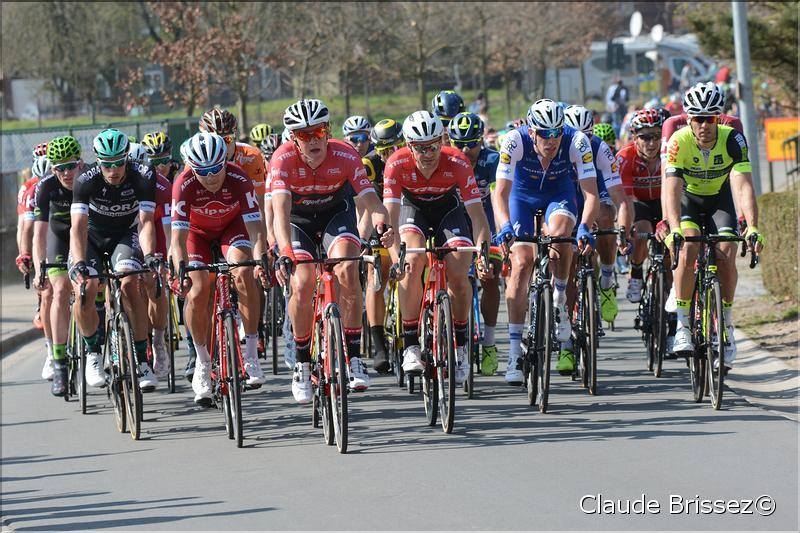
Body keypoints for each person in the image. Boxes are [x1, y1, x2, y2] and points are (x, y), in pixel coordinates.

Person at [270, 99, 394, 404]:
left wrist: (382, 222)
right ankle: (301, 361)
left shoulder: (346, 153)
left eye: (319, 131)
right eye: (304, 134)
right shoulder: (282, 160)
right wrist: (285, 250)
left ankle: (352, 356)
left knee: (347, 269)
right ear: (293, 137)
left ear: (329, 130)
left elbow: (370, 200)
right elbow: (280, 215)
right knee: (302, 282)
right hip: (297, 221)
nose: (313, 139)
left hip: (336, 215)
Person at [493, 99, 599, 383]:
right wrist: (504, 226)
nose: (551, 141)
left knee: (561, 236)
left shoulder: (577, 141)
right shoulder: (514, 141)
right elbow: (500, 193)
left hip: (559, 195)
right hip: (521, 198)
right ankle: (515, 352)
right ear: (531, 132)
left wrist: (586, 226)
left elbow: (590, 194)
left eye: (556, 133)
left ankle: (560, 301)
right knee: (522, 262)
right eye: (544, 133)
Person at [383, 110, 492, 386]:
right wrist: (397, 259)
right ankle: (410, 344)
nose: (428, 153)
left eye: (432, 145)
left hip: (448, 209)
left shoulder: (457, 161)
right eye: (420, 148)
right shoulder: (396, 164)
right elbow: (391, 219)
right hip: (413, 209)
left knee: (459, 265)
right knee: (412, 264)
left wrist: (483, 252)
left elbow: (477, 215)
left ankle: (461, 343)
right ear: (409, 146)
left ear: (442, 140)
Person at [663, 82, 763, 371]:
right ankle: (683, 324)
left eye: (710, 118)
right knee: (689, 245)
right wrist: (673, 229)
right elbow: (671, 190)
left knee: (727, 250)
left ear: (719, 118)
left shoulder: (733, 139)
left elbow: (743, 186)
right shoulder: (678, 141)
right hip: (688, 201)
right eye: (698, 118)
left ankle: (727, 327)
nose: (704, 125)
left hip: (719, 200)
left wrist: (753, 226)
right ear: (689, 119)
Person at [170, 132, 268, 405]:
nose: (212, 176)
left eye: (217, 168)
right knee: (198, 289)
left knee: (244, 271)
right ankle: (202, 362)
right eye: (204, 171)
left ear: (225, 162)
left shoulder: (238, 178)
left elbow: (255, 229)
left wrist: (260, 259)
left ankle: (250, 352)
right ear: (192, 167)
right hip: (196, 234)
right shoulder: (183, 183)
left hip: (231, 228)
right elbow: (176, 240)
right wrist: (180, 270)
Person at [69, 129, 159, 391]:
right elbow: (78, 227)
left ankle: (142, 360)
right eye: (107, 164)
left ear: (127, 158)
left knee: (131, 284)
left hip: (125, 235)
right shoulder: (85, 180)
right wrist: (78, 263)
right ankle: (93, 353)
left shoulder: (143, 175)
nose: (114, 169)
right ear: (98, 161)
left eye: (119, 162)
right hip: (92, 238)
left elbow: (145, 223)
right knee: (85, 289)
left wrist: (151, 255)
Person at [564, 105, 630, 327]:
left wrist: (622, 230)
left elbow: (620, 197)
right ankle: (567, 336)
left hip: (595, 188)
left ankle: (608, 279)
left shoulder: (600, 148)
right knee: (569, 262)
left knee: (605, 214)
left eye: (587, 136)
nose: (582, 143)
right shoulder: (557, 147)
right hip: (569, 192)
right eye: (576, 137)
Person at [447, 111, 502, 376]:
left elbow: (499, 199)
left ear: (482, 141)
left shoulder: (492, 161)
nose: (466, 150)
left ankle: (490, 342)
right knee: (456, 281)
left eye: (472, 144)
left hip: (486, 224)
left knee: (490, 278)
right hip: (458, 225)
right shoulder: (446, 161)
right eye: (459, 144)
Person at [31, 138, 79, 395]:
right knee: (59, 290)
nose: (67, 173)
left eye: (71, 166)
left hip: (87, 238)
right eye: (60, 168)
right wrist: (39, 268)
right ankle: (59, 362)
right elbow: (39, 234)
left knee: (97, 285)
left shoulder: (90, 181)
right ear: (52, 170)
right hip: (59, 239)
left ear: (79, 163)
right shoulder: (46, 188)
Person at [361, 118, 406, 373]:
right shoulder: (369, 165)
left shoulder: (408, 161)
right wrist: (362, 240)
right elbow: (364, 209)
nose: (389, 155)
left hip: (406, 216)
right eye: (383, 150)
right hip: (379, 220)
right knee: (375, 275)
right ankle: (379, 344)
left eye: (395, 148)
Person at [17, 156, 53, 379]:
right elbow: (26, 229)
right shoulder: (32, 191)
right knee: (48, 290)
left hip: (63, 236)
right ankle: (52, 351)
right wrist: (25, 256)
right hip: (43, 239)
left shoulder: (72, 184)